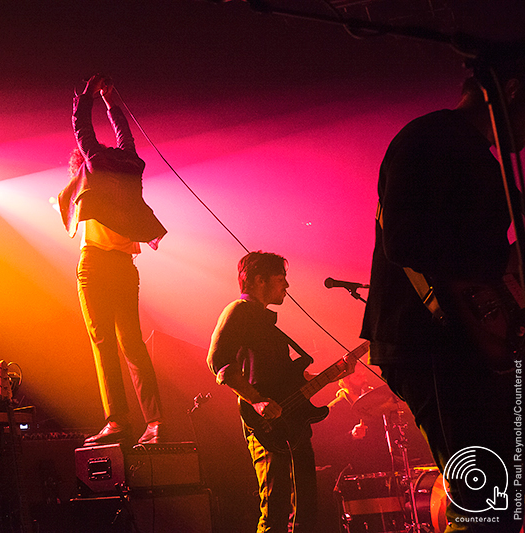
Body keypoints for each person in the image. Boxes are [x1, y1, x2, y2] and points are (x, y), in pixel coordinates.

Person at [361, 53, 525, 532]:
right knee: (486, 494)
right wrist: (502, 262)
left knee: (499, 489)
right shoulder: (433, 138)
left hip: (461, 334)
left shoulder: (472, 151)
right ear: (512, 89)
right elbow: (405, 243)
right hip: (430, 337)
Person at [207, 251, 355, 533]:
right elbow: (217, 362)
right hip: (267, 426)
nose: (286, 286)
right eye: (281, 279)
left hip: (293, 424)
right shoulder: (237, 311)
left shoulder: (266, 323)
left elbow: (290, 380)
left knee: (305, 508)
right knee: (275, 509)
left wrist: (337, 373)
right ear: (259, 280)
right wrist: (258, 401)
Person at [58, 74, 167, 447]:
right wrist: (110, 102)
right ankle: (154, 424)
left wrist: (87, 97)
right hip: (124, 267)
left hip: (96, 265)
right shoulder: (132, 165)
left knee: (103, 342)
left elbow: (81, 129)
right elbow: (126, 137)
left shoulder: (94, 163)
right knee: (132, 344)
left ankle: (117, 421)